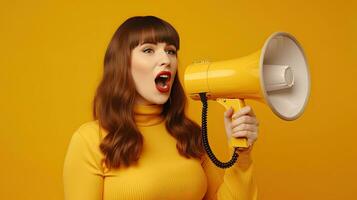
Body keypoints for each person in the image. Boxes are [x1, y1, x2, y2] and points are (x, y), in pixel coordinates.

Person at [63, 15, 259, 200]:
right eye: (148, 50)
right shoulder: (89, 140)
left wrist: (241, 153)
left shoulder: (190, 135)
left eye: (171, 51)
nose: (166, 59)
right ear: (122, 64)